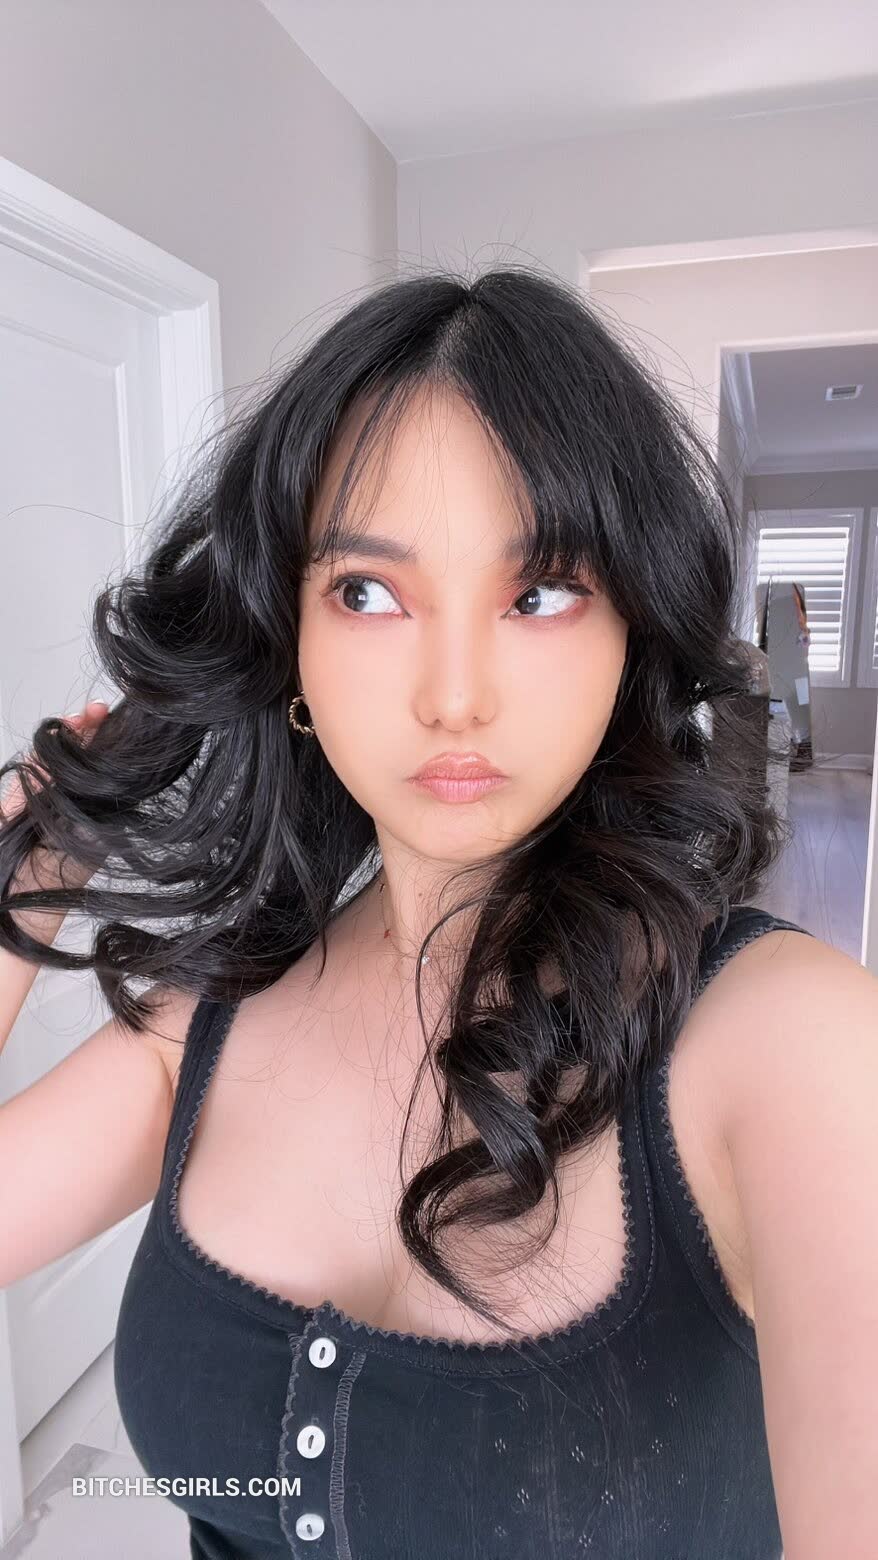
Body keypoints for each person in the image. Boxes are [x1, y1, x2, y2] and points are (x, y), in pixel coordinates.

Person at [1, 266, 876, 1560]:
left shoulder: (792, 1048)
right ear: (288, 641)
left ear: (630, 634)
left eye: (539, 593)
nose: (453, 696)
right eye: (367, 591)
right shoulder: (206, 1024)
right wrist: (24, 870)